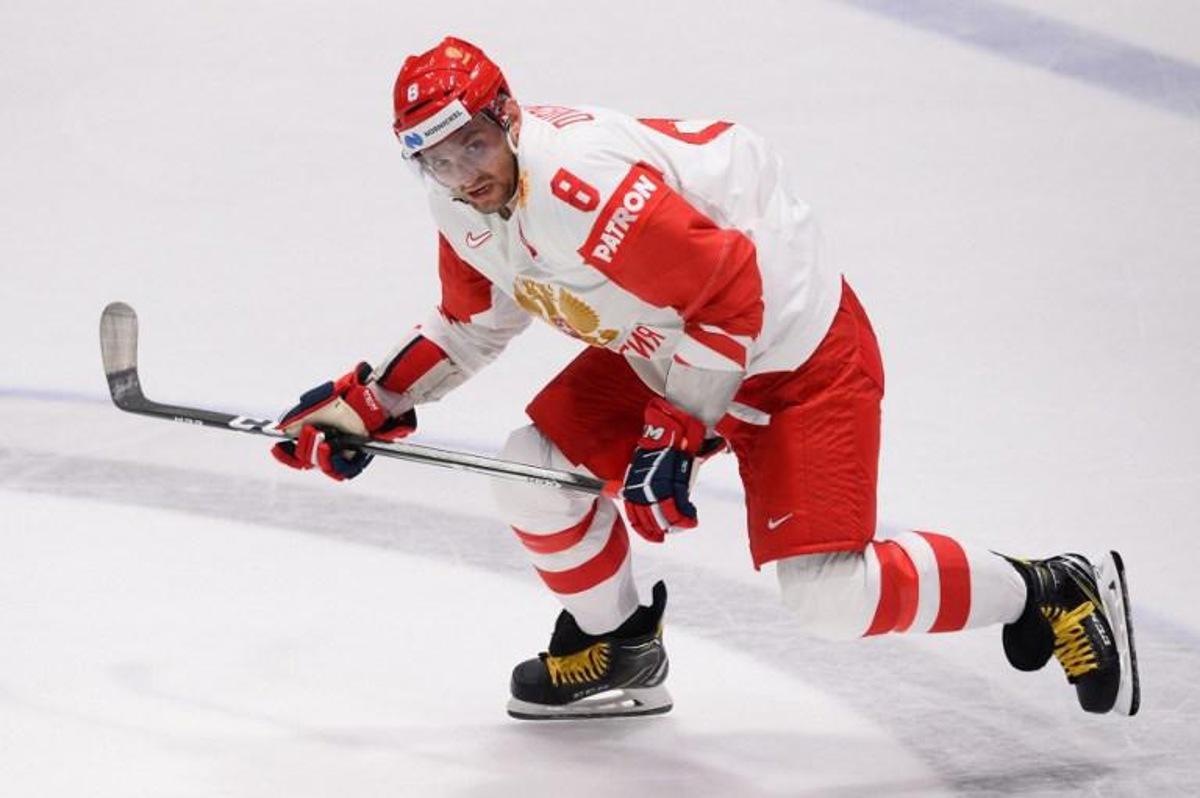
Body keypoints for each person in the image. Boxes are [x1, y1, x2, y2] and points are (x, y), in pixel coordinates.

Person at [270, 36, 1139, 720]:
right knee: (537, 476)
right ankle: (620, 650)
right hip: (671, 336)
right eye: (438, 159)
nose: (465, 175)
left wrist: (676, 427)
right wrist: (372, 401)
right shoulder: (458, 202)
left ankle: (1049, 585)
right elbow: (470, 322)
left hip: (796, 353)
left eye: (472, 145)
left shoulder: (579, 187)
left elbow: (732, 288)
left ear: (506, 115)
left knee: (832, 599)